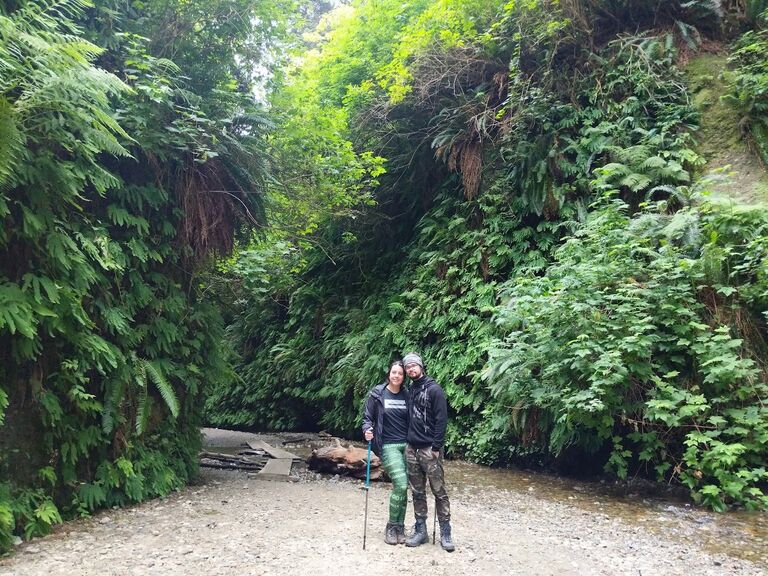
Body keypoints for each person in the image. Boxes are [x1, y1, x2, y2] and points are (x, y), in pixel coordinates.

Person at [402, 352, 455, 552]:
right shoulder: (410, 390)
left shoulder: (435, 390)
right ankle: (420, 530)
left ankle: (446, 532)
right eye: (408, 367)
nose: (411, 369)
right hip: (411, 447)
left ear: (421, 366)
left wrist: (436, 446)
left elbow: (442, 419)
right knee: (417, 491)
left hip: (429, 449)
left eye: (414, 366)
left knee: (439, 491)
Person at [361, 359, 409, 545]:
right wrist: (367, 430)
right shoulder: (378, 394)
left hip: (407, 446)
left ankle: (400, 528)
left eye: (400, 373)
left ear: (404, 377)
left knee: (403, 489)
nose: (397, 376)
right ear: (389, 374)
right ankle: (391, 526)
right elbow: (367, 418)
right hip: (388, 446)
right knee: (402, 484)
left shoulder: (407, 395)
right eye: (394, 372)